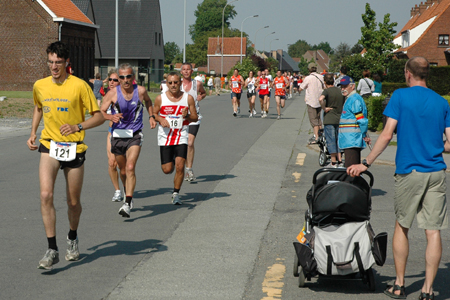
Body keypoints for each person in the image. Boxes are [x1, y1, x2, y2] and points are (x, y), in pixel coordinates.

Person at [347, 57, 450, 300]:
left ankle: (400, 285)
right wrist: (434, 146)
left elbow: (385, 134)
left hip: (409, 171)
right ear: (427, 74)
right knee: (433, 231)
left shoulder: (400, 97)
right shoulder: (441, 102)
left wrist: (366, 162)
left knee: (402, 227)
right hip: (436, 172)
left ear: (407, 73)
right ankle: (427, 291)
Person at [27, 41, 105, 270]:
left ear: (66, 62)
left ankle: (72, 237)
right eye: (50, 62)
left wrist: (77, 127)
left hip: (74, 148)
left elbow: (98, 117)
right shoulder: (40, 85)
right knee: (45, 194)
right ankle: (52, 248)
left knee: (72, 202)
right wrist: (33, 133)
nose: (54, 67)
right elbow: (39, 107)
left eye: (58, 63)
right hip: (49, 145)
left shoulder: (80, 86)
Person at [100, 63, 156, 218]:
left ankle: (127, 203)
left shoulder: (141, 91)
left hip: (135, 134)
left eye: (128, 76)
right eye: (122, 77)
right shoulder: (112, 94)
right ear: (119, 78)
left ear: (133, 77)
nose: (125, 80)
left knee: (130, 167)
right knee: (122, 170)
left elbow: (149, 102)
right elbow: (101, 112)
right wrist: (111, 117)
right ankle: (125, 191)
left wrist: (151, 116)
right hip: (117, 135)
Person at [153, 72, 198, 204]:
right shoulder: (160, 98)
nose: (173, 85)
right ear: (166, 84)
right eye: (170, 83)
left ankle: (176, 193)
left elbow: (195, 117)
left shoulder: (188, 98)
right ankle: (171, 160)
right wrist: (160, 118)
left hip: (181, 136)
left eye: (176, 82)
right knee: (167, 169)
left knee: (180, 167)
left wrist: (187, 116)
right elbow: (154, 114)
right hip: (165, 137)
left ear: (180, 83)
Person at [180, 63, 206, 182]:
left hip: (194, 117)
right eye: (184, 70)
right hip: (179, 118)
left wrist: (201, 96)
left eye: (188, 69)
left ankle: (189, 169)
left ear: (192, 71)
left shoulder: (197, 84)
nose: (186, 71)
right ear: (181, 72)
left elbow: (203, 92)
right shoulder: (176, 84)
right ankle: (181, 167)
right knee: (182, 144)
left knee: (190, 143)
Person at [337, 76, 370, 167]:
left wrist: (364, 135)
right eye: (341, 87)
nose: (343, 89)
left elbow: (361, 120)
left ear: (352, 86)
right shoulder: (350, 98)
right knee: (351, 169)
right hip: (349, 140)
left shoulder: (354, 99)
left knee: (351, 170)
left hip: (352, 140)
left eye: (345, 86)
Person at [318, 73, 345, 167]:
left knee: (331, 140)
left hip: (329, 118)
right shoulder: (340, 91)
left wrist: (324, 108)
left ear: (325, 82)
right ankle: (340, 160)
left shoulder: (327, 91)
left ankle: (333, 161)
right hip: (339, 118)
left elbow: (320, 99)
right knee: (339, 139)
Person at [104, 69, 123, 202]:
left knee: (124, 166)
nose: (111, 82)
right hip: (112, 131)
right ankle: (117, 190)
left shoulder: (128, 95)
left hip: (128, 133)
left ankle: (128, 189)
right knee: (112, 163)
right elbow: (100, 113)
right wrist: (110, 117)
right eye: (110, 79)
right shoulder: (108, 95)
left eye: (115, 80)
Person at [298, 63, 325, 144]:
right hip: (320, 101)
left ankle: (316, 137)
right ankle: (321, 136)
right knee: (319, 119)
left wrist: (298, 90)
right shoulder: (321, 77)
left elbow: (301, 88)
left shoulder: (308, 78)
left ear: (309, 69)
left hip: (311, 101)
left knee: (313, 120)